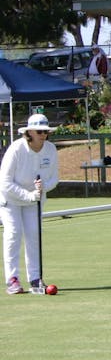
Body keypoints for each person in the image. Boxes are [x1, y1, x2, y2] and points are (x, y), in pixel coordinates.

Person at [0, 114, 59, 294]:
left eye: (46, 131)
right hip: (10, 199)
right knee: (13, 234)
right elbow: (5, 182)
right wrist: (29, 195)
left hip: (35, 199)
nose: (43, 135)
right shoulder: (16, 149)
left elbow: (54, 178)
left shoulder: (50, 149)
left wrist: (42, 189)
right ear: (29, 132)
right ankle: (12, 279)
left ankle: (35, 278)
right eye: (39, 131)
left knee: (34, 235)